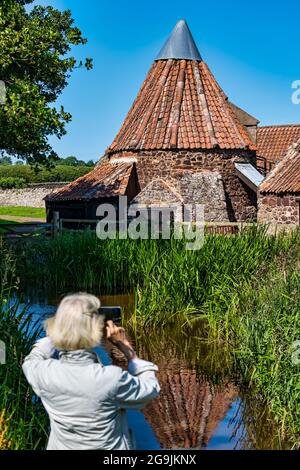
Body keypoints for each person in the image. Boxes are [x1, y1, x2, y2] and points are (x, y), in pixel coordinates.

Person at [22, 293, 160, 450]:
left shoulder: (42, 373)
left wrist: (59, 333)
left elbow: (32, 359)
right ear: (94, 330)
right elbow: (150, 389)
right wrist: (128, 351)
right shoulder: (110, 378)